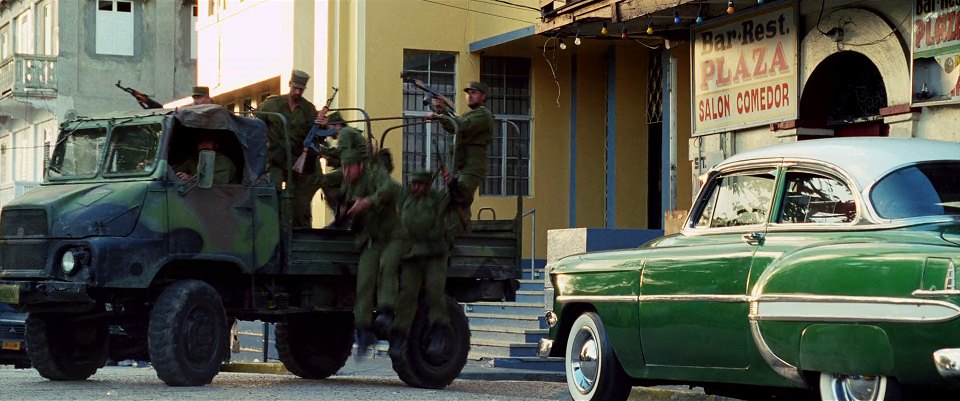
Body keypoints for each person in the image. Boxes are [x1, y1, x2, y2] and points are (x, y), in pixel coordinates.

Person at [340, 148, 403, 360]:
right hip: (371, 239)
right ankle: (364, 330)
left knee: (387, 267)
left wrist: (369, 201)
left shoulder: (375, 173)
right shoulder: (350, 183)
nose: (346, 172)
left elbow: (392, 188)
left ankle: (387, 312)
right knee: (364, 283)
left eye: (349, 167)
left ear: (360, 165)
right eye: (343, 167)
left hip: (392, 236)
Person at [390, 170, 456, 359]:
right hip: (412, 255)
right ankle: (399, 336)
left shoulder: (436, 199)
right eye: (413, 184)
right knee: (406, 295)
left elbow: (454, 198)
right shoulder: (406, 199)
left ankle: (439, 331)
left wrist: (452, 183)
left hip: (434, 253)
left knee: (434, 291)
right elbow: (389, 186)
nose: (416, 188)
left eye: (420, 184)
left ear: (428, 185)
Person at [256, 70, 321, 227]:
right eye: (295, 88)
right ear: (290, 84)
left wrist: (323, 125)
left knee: (300, 201)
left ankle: (299, 229)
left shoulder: (308, 109)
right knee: (272, 193)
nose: (297, 92)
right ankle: (270, 227)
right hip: (276, 158)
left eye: (301, 89)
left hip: (297, 160)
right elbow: (255, 126)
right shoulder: (272, 104)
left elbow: (316, 137)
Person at [426, 81, 493, 227]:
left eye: (473, 93)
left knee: (457, 197)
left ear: (483, 96)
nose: (469, 96)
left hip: (472, 166)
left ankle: (460, 230)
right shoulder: (472, 114)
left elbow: (461, 125)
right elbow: (455, 126)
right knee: (455, 199)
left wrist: (439, 116)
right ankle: (459, 228)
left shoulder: (483, 114)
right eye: (468, 93)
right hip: (462, 165)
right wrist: (442, 111)